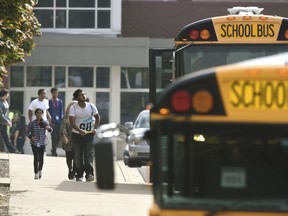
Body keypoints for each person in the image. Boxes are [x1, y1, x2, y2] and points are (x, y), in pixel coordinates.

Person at [69, 89, 100, 182]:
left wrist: (95, 128)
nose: (83, 96)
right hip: (77, 134)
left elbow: (97, 117)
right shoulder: (73, 108)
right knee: (78, 155)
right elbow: (72, 122)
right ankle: (79, 174)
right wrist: (80, 130)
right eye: (81, 95)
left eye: (84, 94)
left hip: (89, 134)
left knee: (89, 154)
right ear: (77, 97)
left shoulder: (91, 106)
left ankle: (89, 174)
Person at [25, 108, 53, 179]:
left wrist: (48, 128)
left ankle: (40, 170)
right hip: (34, 143)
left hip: (42, 144)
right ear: (35, 114)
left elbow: (51, 130)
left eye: (40, 113)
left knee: (41, 159)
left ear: (42, 114)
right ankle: (36, 173)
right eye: (38, 113)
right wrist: (31, 136)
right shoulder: (32, 123)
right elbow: (26, 132)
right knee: (36, 158)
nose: (39, 114)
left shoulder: (44, 123)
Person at [60, 100, 77, 180]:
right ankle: (70, 169)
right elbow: (63, 127)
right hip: (68, 140)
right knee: (69, 158)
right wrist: (64, 136)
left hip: (77, 140)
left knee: (76, 158)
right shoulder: (66, 117)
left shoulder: (80, 117)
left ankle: (74, 171)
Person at [48, 87, 64, 157]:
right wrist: (49, 121)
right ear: (51, 93)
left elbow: (61, 112)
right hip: (52, 122)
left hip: (59, 122)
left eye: (56, 93)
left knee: (58, 136)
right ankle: (54, 151)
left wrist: (62, 121)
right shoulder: (49, 101)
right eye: (54, 92)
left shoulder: (60, 101)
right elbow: (47, 111)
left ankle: (54, 148)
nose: (55, 94)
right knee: (53, 136)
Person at [0, 89, 16, 153]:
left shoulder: (5, 102)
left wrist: (9, 120)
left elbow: (6, 113)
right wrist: (7, 121)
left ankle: (13, 150)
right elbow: (0, 114)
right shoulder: (0, 102)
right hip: (1, 122)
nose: (8, 95)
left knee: (6, 138)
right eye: (7, 94)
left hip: (3, 123)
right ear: (4, 95)